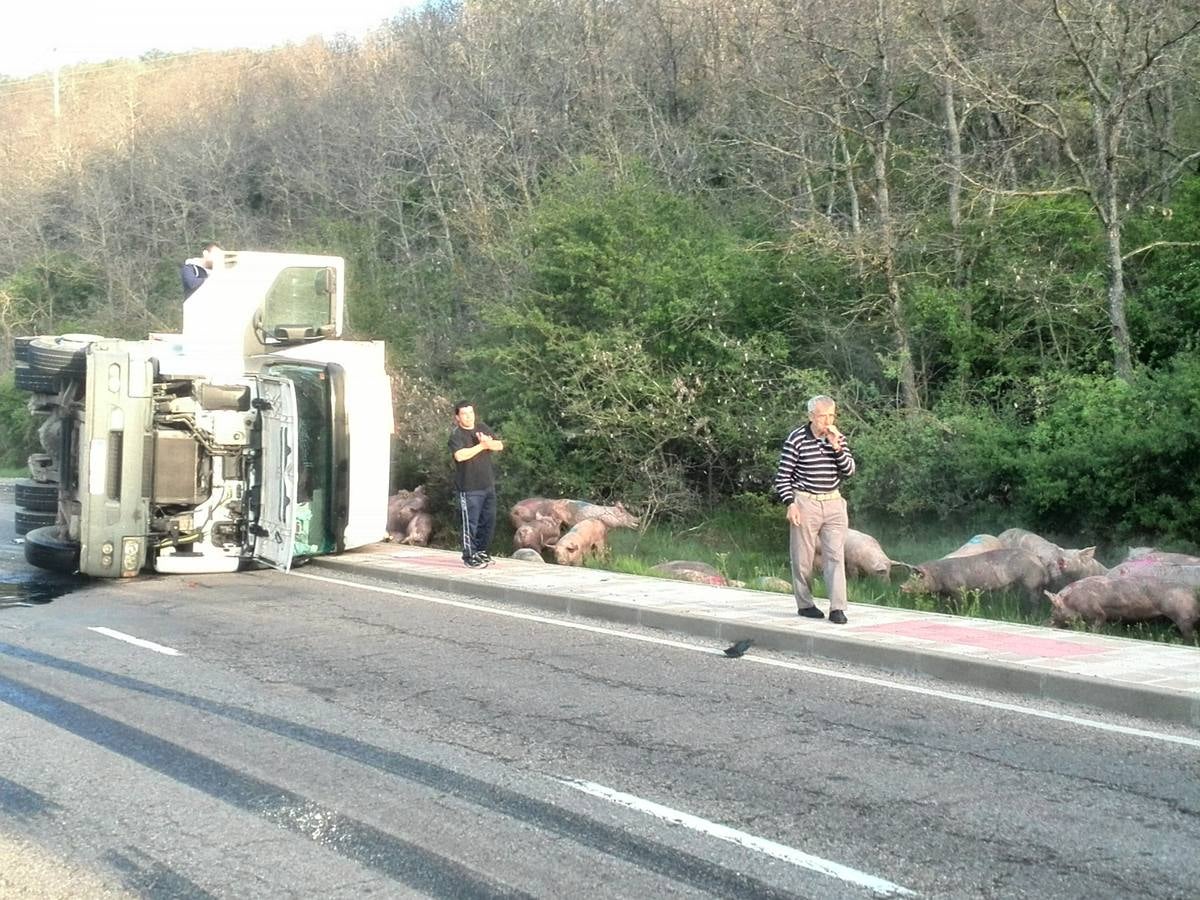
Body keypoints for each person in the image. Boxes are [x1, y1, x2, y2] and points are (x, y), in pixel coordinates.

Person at [773, 395, 857, 623]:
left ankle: (837, 607)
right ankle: (805, 604)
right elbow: (783, 476)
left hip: (833, 501)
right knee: (803, 557)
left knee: (835, 556)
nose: (827, 421)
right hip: (805, 501)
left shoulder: (837, 437)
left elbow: (849, 471)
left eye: (831, 415)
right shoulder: (797, 439)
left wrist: (836, 447)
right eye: (822, 416)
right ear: (811, 416)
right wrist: (790, 503)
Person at [448, 401, 504, 568]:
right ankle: (469, 555)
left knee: (488, 520)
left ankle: (482, 552)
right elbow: (460, 456)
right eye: (464, 414)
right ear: (457, 417)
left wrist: (488, 443)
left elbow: (498, 445)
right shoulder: (456, 435)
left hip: (487, 484)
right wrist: (481, 446)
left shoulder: (482, 427)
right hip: (469, 487)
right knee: (470, 523)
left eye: (471, 412)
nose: (469, 416)